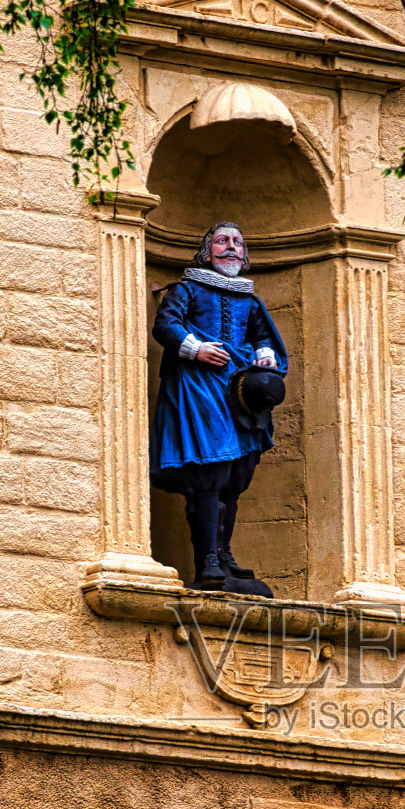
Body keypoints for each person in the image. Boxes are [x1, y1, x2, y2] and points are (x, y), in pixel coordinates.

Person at [150, 222, 287, 596]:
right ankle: (207, 558)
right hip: (200, 390)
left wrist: (265, 353)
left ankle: (223, 556)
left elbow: (261, 335)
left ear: (244, 255)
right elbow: (167, 324)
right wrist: (196, 348)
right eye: (222, 241)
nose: (231, 247)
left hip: (239, 392)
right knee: (211, 471)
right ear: (207, 251)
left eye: (238, 242)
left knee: (236, 476)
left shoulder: (249, 299)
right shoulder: (187, 289)